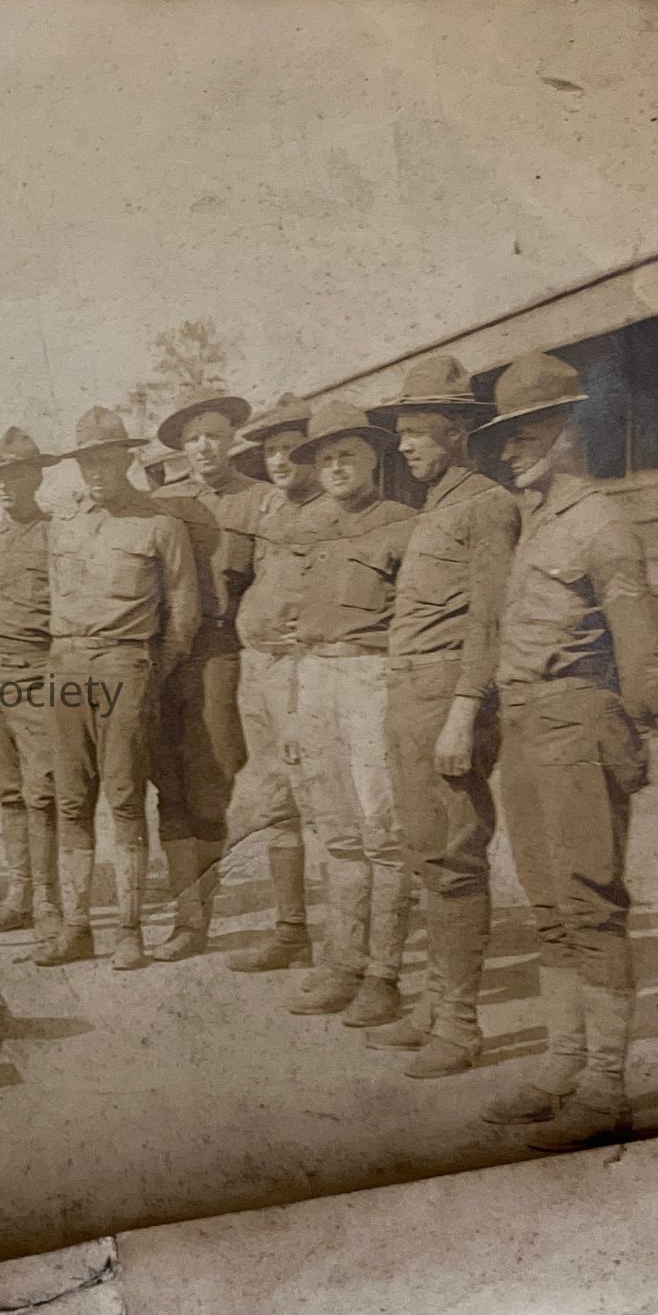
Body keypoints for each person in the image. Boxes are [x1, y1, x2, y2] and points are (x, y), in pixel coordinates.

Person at [478, 352, 658, 1150]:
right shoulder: (533, 520)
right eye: (507, 437)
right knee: (548, 904)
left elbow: (641, 649)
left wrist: (627, 732)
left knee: (590, 901)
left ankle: (606, 1087)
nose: (509, 450)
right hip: (524, 722)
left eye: (523, 434)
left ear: (565, 430)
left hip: (576, 716)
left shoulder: (602, 524)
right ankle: (563, 1067)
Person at [366, 357, 522, 1077]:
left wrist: (464, 712)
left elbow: (490, 623)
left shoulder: (487, 505)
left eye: (418, 432)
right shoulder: (438, 505)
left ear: (458, 430)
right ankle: (433, 1005)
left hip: (447, 698)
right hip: (411, 696)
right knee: (425, 852)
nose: (404, 446)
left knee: (456, 856)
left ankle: (459, 1026)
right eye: (401, 433)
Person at [40, 406, 202, 971]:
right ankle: (77, 927)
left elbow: (184, 614)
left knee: (125, 795)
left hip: (124, 663)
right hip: (66, 664)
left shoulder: (160, 525)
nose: (96, 472)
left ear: (126, 459)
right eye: (87, 463)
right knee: (70, 798)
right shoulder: (64, 524)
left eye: (105, 461)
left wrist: (149, 672)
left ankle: (129, 930)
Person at [282, 399, 417, 1027]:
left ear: (374, 459)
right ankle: (344, 963)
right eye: (326, 459)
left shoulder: (403, 524)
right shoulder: (308, 527)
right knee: (336, 831)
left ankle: (384, 976)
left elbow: (414, 622)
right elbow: (296, 623)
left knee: (382, 832)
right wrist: (292, 705)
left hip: (371, 678)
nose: (336, 467)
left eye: (347, 456)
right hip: (315, 678)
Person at [149, 383, 269, 958]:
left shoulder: (260, 501)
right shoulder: (162, 503)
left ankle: (199, 915)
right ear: (181, 447)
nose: (205, 447)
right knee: (166, 781)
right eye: (194, 438)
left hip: (222, 652)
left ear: (232, 441)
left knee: (211, 780)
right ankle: (187, 916)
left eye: (215, 436)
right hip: (163, 654)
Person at [224, 393, 326, 973]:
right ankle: (291, 929)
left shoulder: (335, 512)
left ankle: (355, 947)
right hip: (260, 671)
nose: (281, 461)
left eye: (292, 449)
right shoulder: (271, 513)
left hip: (308, 674)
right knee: (275, 802)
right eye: (271, 451)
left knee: (332, 804)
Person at [0, 426, 61, 941]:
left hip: (38, 673)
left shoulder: (57, 534)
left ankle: (47, 900)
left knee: (42, 791)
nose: (5, 485)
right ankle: (19, 895)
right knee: (8, 791)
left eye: (16, 475)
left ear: (37, 477)